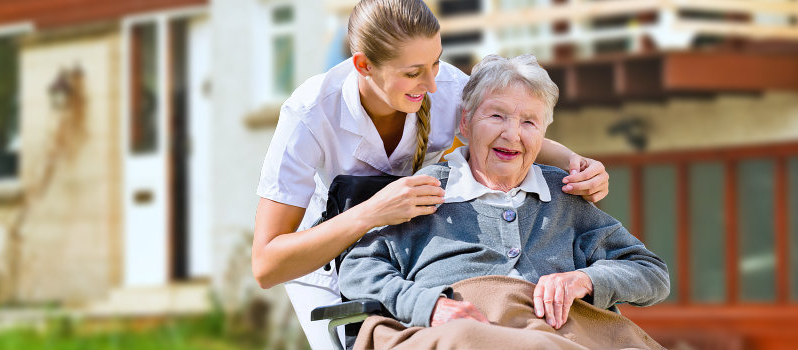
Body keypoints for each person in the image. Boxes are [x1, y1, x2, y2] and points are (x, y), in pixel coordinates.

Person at [251, 1, 611, 347]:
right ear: (364, 66)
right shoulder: (310, 114)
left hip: (411, 254)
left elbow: (504, 132)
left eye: (435, 63)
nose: (433, 85)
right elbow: (266, 265)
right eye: (413, 73)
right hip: (327, 260)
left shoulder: (449, 88)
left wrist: (575, 162)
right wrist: (373, 211)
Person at [336, 54, 669, 350]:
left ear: (543, 133)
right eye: (497, 116)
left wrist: (585, 280)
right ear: (465, 123)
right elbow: (359, 268)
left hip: (566, 334)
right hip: (466, 334)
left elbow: (651, 273)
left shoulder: (564, 196)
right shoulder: (424, 192)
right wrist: (427, 305)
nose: (513, 134)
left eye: (529, 122)